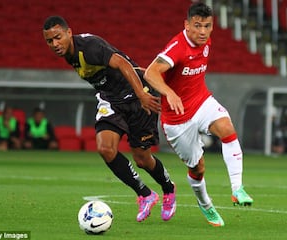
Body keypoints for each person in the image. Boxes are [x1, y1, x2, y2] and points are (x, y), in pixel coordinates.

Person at [43, 16, 176, 222]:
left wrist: (141, 93)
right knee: (105, 149)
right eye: (50, 41)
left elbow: (122, 63)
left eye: (58, 37)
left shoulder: (89, 47)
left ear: (69, 33)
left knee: (142, 159)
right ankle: (145, 194)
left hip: (137, 96)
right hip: (111, 100)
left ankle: (168, 189)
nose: (55, 44)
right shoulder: (69, 54)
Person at [144, 2, 253, 227]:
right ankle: (205, 203)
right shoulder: (177, 47)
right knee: (197, 168)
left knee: (227, 130)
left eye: (207, 26)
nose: (202, 32)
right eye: (197, 26)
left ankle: (237, 189)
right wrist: (169, 93)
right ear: (186, 24)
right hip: (177, 118)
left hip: (201, 102)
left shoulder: (205, 40)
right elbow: (150, 72)